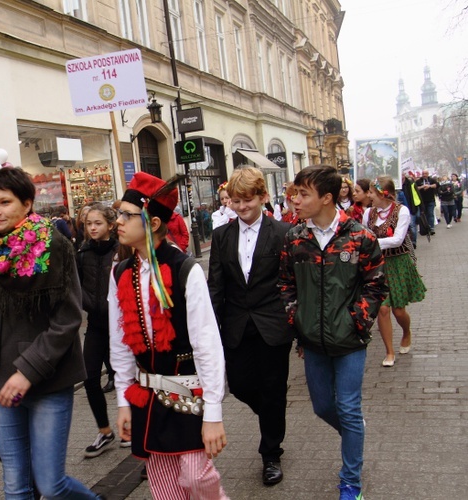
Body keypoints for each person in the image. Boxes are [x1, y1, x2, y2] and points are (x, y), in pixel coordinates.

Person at [0, 168, 100, 500]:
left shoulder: (56, 246)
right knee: (16, 485)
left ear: (27, 203)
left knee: (50, 484)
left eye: (4, 202)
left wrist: (27, 371)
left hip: (47, 382)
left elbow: (66, 320)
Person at [109, 172, 229, 500]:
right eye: (118, 212)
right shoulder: (119, 272)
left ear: (154, 221)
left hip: (189, 393)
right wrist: (122, 400)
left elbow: (207, 343)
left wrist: (214, 413)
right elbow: (119, 343)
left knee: (195, 476)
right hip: (146, 395)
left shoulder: (184, 269)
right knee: (164, 487)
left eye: (126, 214)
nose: (117, 221)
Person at [279, 166, 388, 500]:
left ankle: (350, 481)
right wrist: (298, 318)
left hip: (350, 342)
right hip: (312, 342)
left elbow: (376, 284)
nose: (295, 200)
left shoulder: (360, 237)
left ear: (326, 198)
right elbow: (285, 284)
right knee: (323, 407)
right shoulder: (294, 237)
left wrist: (357, 319)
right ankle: (355, 434)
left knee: (350, 408)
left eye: (303, 194)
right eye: (295, 193)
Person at [207, 167, 293, 486]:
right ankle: (273, 417)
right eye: (236, 201)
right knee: (241, 385)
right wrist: (210, 330)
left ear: (263, 197)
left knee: (273, 388)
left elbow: (290, 283)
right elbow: (216, 285)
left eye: (248, 200)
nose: (242, 207)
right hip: (236, 326)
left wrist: (294, 324)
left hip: (273, 326)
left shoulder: (283, 232)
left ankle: (271, 454)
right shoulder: (221, 235)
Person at [76, 203, 124, 458]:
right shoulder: (82, 252)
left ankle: (132, 428)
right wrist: (86, 301)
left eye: (97, 223)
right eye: (88, 224)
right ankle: (105, 430)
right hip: (95, 325)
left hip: (121, 325)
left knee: (128, 377)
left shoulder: (120, 250)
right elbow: (74, 282)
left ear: (110, 225)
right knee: (90, 376)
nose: (92, 228)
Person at [365, 176, 427, 367]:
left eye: (371, 192)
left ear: (383, 194)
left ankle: (406, 332)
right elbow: (364, 233)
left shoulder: (402, 211)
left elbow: (398, 239)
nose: (369, 196)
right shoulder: (368, 213)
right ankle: (389, 351)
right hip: (378, 264)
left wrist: (371, 243)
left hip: (398, 262)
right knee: (383, 308)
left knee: (399, 311)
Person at [399, 173, 420, 248]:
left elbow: (417, 195)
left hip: (411, 208)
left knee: (412, 226)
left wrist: (420, 207)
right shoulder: (397, 187)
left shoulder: (410, 183)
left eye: (402, 175)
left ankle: (413, 242)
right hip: (401, 209)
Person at [415, 170, 438, 234]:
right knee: (424, 215)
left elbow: (436, 185)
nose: (424, 175)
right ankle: (425, 227)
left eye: (426, 173)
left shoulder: (432, 180)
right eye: (423, 174)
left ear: (428, 174)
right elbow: (416, 188)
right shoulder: (418, 181)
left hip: (431, 200)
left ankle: (431, 228)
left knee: (430, 214)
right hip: (422, 201)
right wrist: (422, 187)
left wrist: (429, 186)